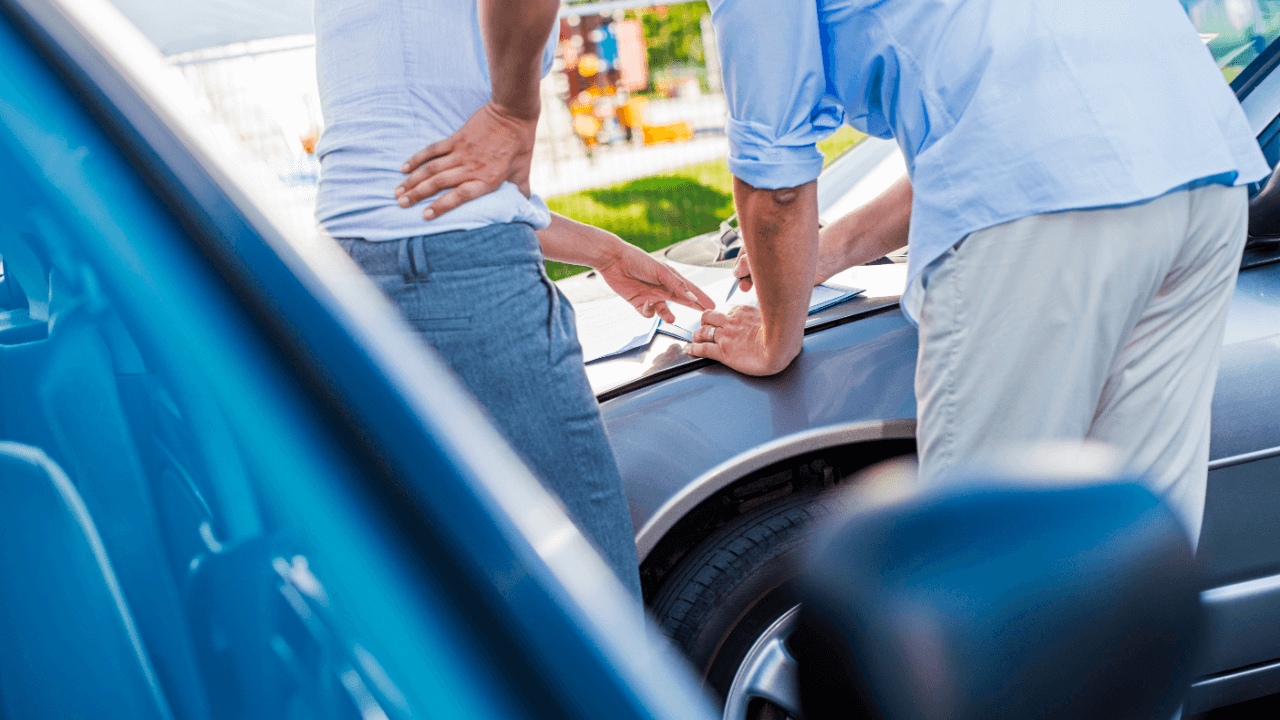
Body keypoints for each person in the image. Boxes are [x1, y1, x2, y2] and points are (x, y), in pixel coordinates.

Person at [682, 0, 1268, 545]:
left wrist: (773, 340)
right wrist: (824, 254)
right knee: (1132, 546)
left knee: (989, 559)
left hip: (1050, 205)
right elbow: (1004, 129)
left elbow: (775, 181)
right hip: (1200, 164)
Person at [312, 0, 714, 598]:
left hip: (349, 277)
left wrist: (603, 250)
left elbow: (432, 187)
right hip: (461, 282)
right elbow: (452, 196)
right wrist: (513, 109)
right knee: (593, 604)